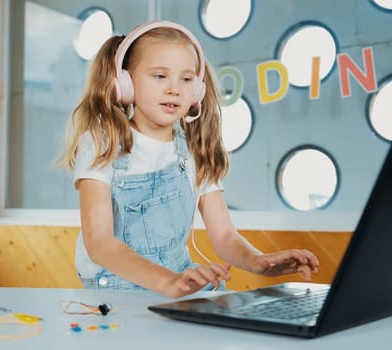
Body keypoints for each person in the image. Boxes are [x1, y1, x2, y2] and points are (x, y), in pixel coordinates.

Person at [58, 20, 319, 299]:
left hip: (180, 279)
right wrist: (168, 283)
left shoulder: (194, 149)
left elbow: (224, 237)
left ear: (197, 90)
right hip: (118, 289)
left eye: (186, 79)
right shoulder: (102, 142)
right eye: (160, 76)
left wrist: (259, 263)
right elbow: (100, 243)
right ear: (125, 83)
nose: (175, 89)